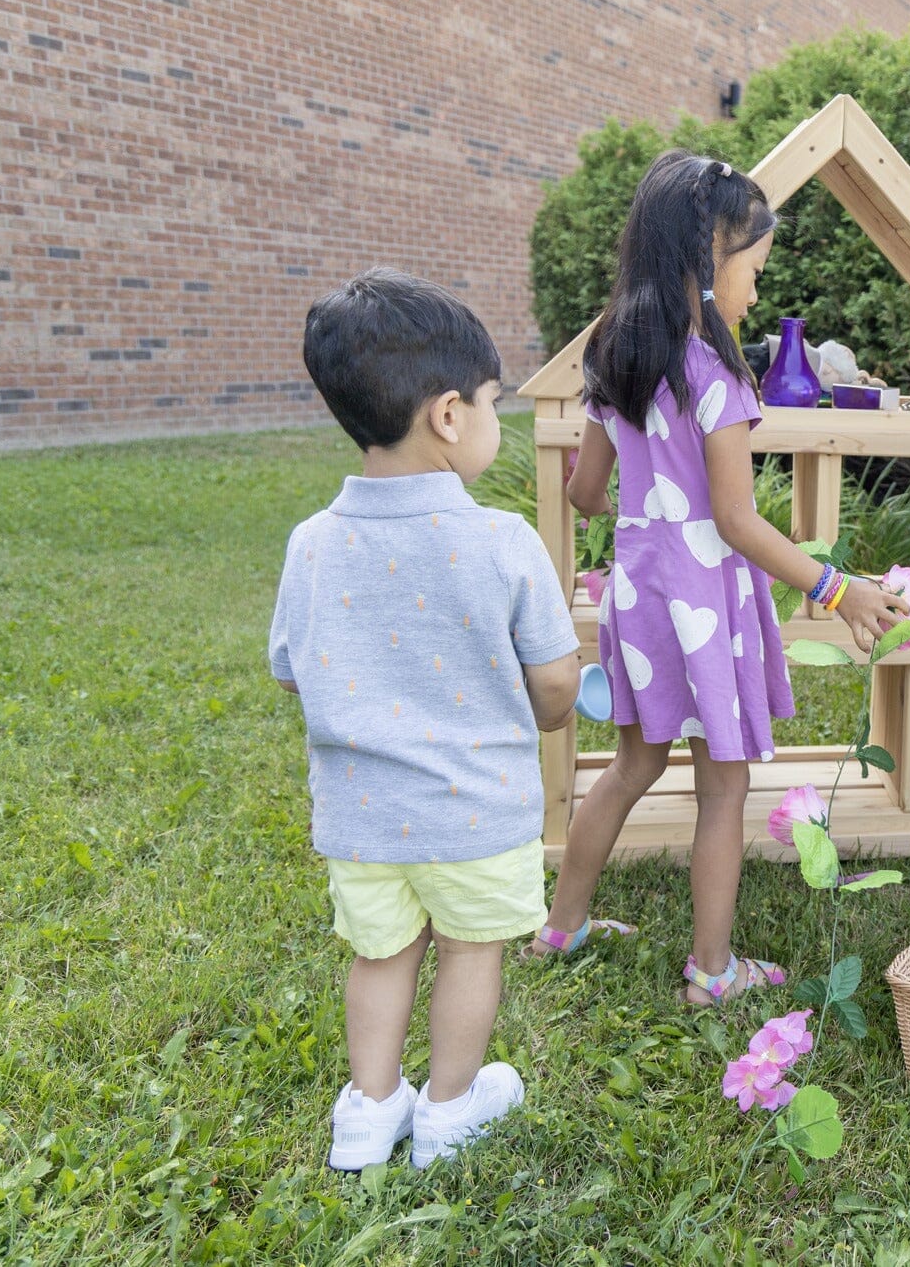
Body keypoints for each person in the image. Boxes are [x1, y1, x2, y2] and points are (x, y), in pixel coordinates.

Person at [530, 151, 908, 1003]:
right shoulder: (715, 374)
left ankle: (561, 928)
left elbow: (585, 492)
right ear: (707, 257)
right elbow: (737, 521)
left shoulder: (614, 356)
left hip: (640, 597)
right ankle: (712, 970)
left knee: (629, 766)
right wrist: (838, 588)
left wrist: (619, 501)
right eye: (754, 271)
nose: (756, 294)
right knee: (724, 784)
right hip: (702, 600)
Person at [269, 269, 581, 1170]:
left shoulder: (311, 543)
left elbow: (292, 673)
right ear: (449, 415)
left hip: (363, 821)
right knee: (470, 953)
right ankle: (448, 1107)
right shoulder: (505, 541)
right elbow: (556, 682)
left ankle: (368, 1114)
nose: (494, 417)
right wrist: (543, 706)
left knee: (380, 955)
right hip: (477, 814)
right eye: (492, 401)